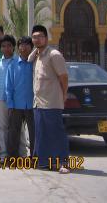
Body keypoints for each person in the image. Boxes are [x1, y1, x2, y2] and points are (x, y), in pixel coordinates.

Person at [28, 25, 70, 173]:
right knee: (42, 134)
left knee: (55, 133)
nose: (37, 39)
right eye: (34, 37)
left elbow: (63, 77)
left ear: (46, 38)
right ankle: (45, 162)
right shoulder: (37, 56)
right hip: (39, 103)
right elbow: (29, 59)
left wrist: (63, 94)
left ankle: (63, 163)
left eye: (40, 36)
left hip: (52, 102)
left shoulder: (54, 55)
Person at [6, 36, 35, 158]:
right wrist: (10, 104)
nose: (23, 47)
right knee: (14, 133)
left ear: (31, 47)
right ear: (18, 48)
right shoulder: (13, 65)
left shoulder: (35, 64)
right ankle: (12, 158)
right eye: (21, 45)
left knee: (34, 133)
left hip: (33, 105)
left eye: (26, 44)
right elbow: (9, 87)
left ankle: (35, 157)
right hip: (16, 105)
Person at [0, 35, 16, 159]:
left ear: (13, 47)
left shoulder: (17, 61)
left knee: (16, 127)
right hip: (0, 99)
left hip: (14, 100)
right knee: (2, 127)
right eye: (3, 46)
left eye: (9, 46)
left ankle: (19, 153)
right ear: (0, 48)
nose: (6, 48)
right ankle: (4, 153)